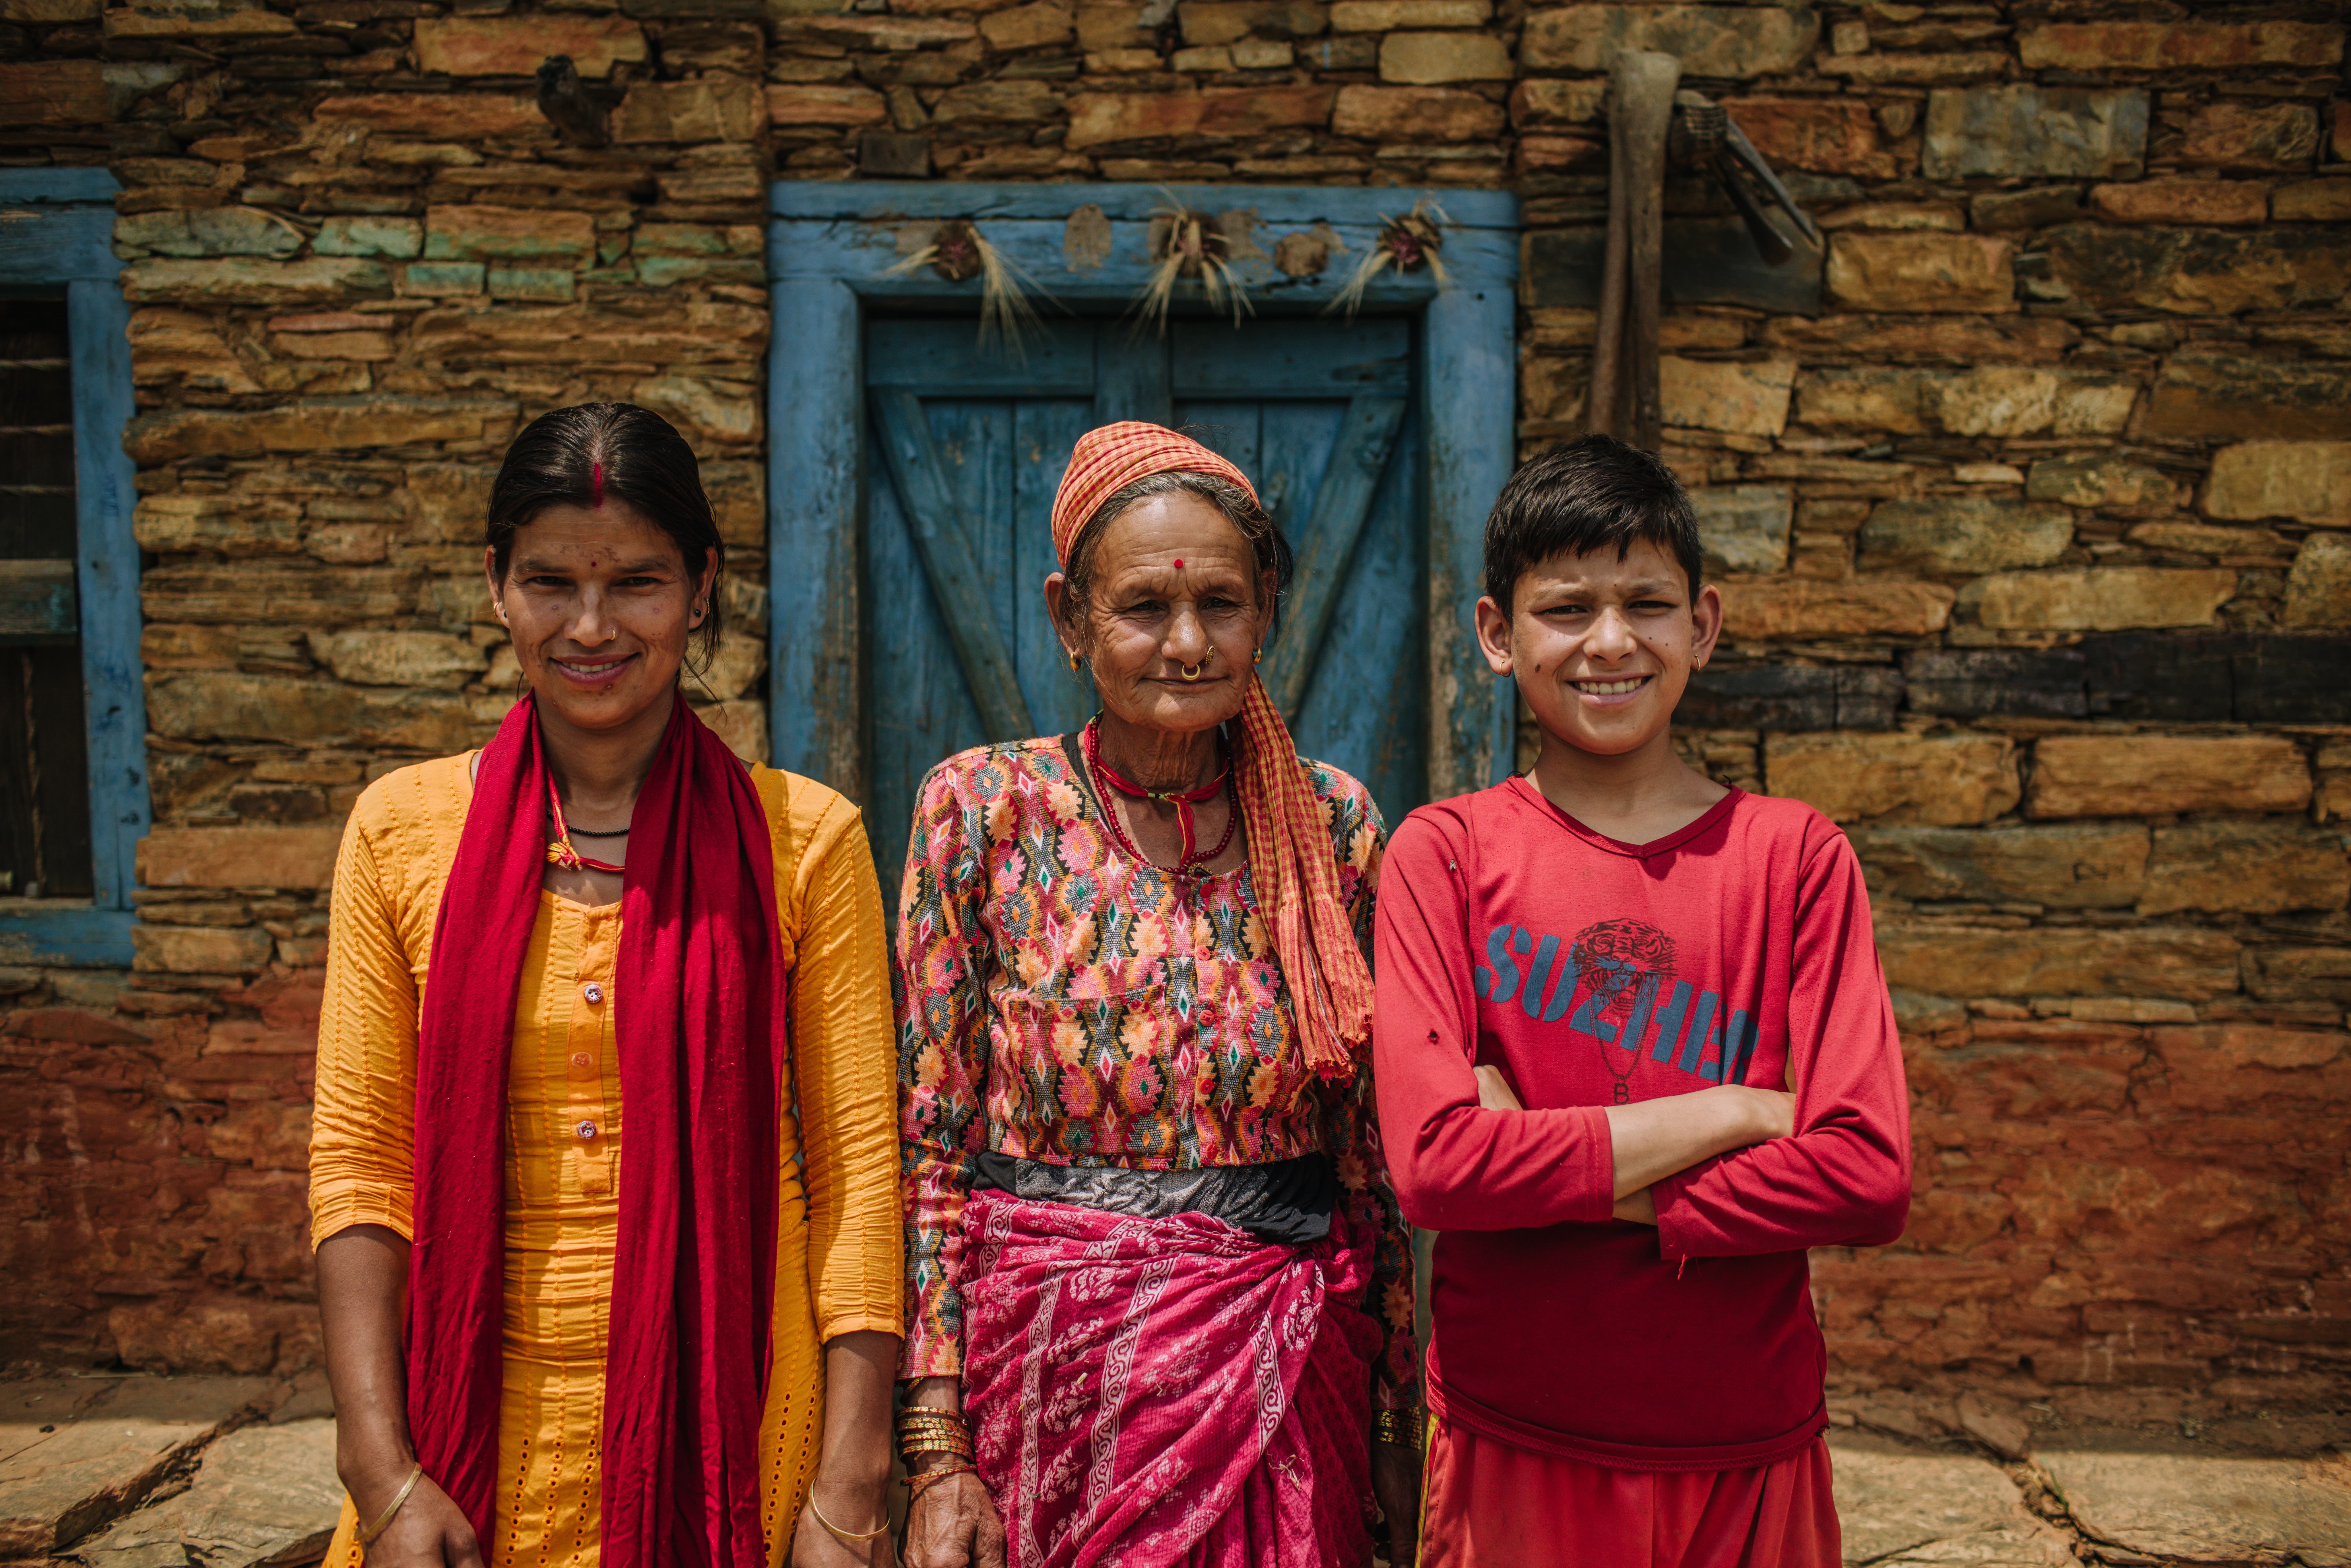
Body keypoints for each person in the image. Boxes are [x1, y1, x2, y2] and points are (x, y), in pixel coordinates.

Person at [308, 403, 904, 1568]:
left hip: (741, 1429)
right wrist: (381, 1477)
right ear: (497, 585)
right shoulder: (401, 834)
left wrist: (849, 1486)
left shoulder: (807, 842)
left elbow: (857, 1183)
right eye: (550, 582)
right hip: (461, 1447)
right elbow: (361, 1167)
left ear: (701, 588)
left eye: (637, 581)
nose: (591, 626)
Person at [1374, 435, 1912, 1567]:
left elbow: (1865, 1175)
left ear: (1701, 625)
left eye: (1647, 604)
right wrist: (1736, 1110)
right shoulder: (1446, 857)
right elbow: (1435, 1168)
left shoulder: (1794, 859)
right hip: (1514, 1429)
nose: (1610, 641)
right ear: (1496, 634)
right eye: (1567, 608)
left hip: (1746, 1435)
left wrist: (1543, 1166)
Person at [894, 422, 1422, 1568]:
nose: (1186, 643)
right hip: (1050, 1393)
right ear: (1068, 618)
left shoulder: (1331, 826)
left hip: (1287, 1388)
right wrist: (936, 1450)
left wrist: (1396, 1411)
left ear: (1265, 610)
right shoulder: (985, 811)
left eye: (1220, 604)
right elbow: (930, 1149)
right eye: (1143, 607)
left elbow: (1369, 1158)